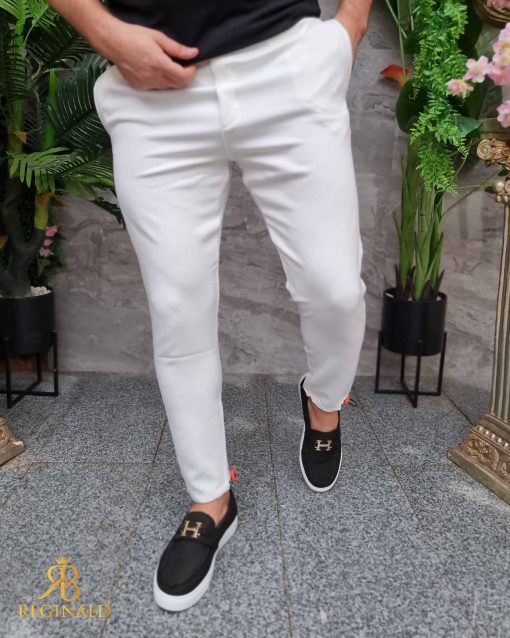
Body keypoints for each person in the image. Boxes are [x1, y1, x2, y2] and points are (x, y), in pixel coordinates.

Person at [49, 0, 373, 612]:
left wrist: (351, 22)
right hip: (152, 92)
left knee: (335, 290)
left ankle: (324, 401)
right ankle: (210, 500)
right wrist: (106, 32)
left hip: (285, 64)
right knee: (178, 311)